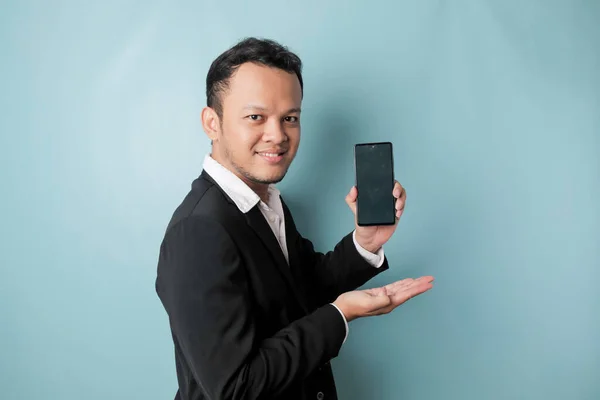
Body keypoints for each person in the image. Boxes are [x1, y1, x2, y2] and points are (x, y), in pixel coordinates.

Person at [155, 37, 434, 400]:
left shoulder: (266, 201)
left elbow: (300, 288)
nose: (278, 136)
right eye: (256, 117)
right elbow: (234, 387)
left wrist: (364, 245)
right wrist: (340, 315)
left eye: (290, 118)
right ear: (212, 122)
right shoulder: (198, 231)